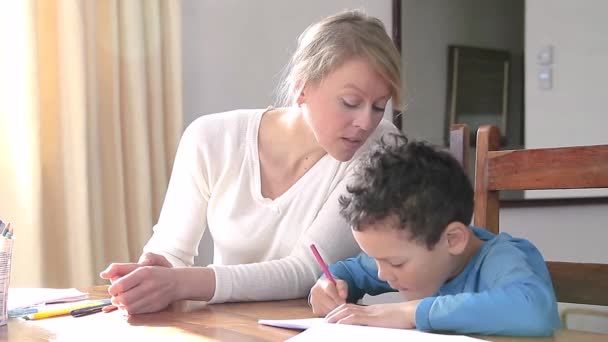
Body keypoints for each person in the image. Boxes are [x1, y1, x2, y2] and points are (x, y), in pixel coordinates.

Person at [99, 10, 403, 314]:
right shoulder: (211, 139)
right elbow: (171, 252)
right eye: (350, 103)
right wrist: (152, 275)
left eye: (378, 106)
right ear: (302, 87)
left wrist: (180, 282)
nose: (366, 122)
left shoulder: (380, 148)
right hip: (223, 329)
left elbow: (308, 271)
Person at [309, 135, 561, 336]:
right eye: (374, 259)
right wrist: (328, 286)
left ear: (453, 239)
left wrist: (411, 312)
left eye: (395, 263)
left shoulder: (501, 257)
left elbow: (534, 311)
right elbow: (349, 273)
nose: (381, 274)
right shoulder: (404, 254)